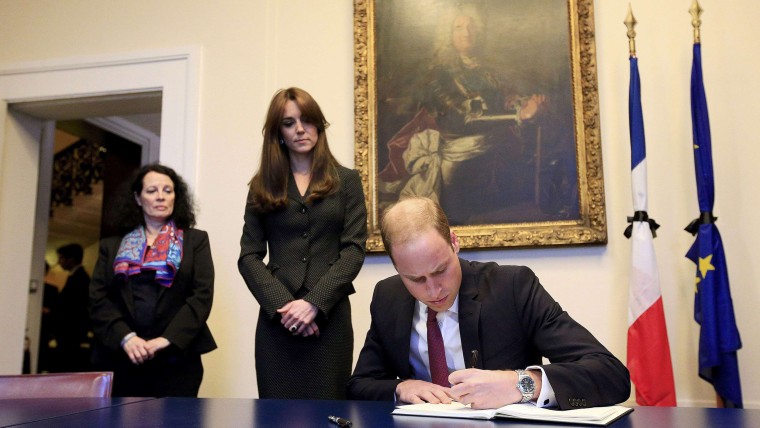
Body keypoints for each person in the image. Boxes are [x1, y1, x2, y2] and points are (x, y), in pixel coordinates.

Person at [347, 196, 630, 409]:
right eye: (415, 279)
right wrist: (402, 388)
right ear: (397, 268)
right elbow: (359, 385)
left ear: (454, 243)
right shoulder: (388, 297)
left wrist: (519, 383)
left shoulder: (513, 288)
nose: (433, 290)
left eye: (440, 270)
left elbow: (611, 375)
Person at [378, 5, 576, 225]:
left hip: (495, 149)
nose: (467, 32)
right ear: (448, 34)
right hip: (461, 155)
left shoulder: (489, 72)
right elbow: (461, 120)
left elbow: (505, 103)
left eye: (471, 27)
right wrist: (519, 115)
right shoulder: (438, 75)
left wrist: (528, 105)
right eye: (459, 27)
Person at [239, 87, 367, 399]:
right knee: (276, 416)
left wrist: (313, 303)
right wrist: (283, 307)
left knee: (329, 411)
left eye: (307, 120)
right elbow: (249, 256)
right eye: (288, 122)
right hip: (277, 324)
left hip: (329, 319)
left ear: (319, 125)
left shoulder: (347, 180)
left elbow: (354, 249)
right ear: (278, 133)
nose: (300, 129)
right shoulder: (261, 186)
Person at [89, 163, 216, 397]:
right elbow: (98, 299)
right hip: (122, 355)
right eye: (152, 191)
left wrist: (166, 340)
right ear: (138, 198)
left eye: (168, 190)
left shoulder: (195, 241)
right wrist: (126, 338)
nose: (160, 197)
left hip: (176, 357)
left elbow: (201, 297)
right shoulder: (111, 245)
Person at [54, 243, 92, 372]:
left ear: (71, 259)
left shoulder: (80, 278)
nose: (59, 262)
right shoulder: (76, 277)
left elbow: (74, 307)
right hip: (70, 332)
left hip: (71, 332)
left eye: (61, 258)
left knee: (67, 365)